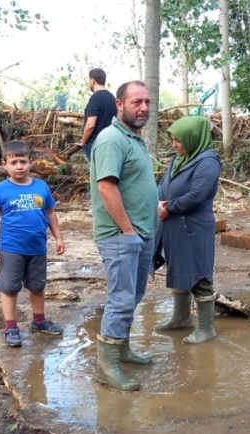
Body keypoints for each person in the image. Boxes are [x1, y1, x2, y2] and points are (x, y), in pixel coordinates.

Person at [89, 80, 157, 391]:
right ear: (119, 105)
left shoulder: (134, 138)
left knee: (133, 296)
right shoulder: (111, 139)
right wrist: (128, 231)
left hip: (140, 233)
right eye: (136, 102)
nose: (143, 108)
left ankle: (122, 349)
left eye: (147, 102)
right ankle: (109, 366)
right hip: (120, 235)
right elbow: (106, 187)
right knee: (121, 299)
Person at [0, 140, 66, 347]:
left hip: (37, 248)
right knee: (9, 288)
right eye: (14, 163)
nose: (19, 167)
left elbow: (50, 213)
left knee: (37, 286)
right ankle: (11, 327)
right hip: (11, 249)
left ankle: (39, 321)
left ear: (30, 162)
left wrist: (58, 237)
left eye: (23, 161)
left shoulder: (41, 187)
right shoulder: (0, 190)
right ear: (5, 165)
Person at [155, 116, 222, 345]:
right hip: (174, 226)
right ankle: (180, 319)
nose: (174, 145)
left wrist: (169, 207)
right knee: (178, 270)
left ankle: (206, 329)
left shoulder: (208, 162)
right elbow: (163, 184)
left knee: (198, 274)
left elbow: (197, 195)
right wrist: (158, 203)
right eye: (173, 140)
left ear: (193, 138)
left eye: (178, 140)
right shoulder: (179, 159)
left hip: (194, 228)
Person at [77, 68, 118, 161]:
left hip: (95, 144)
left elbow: (90, 125)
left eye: (89, 80)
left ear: (93, 81)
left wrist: (83, 142)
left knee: (97, 170)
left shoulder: (95, 97)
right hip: (110, 142)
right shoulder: (112, 97)